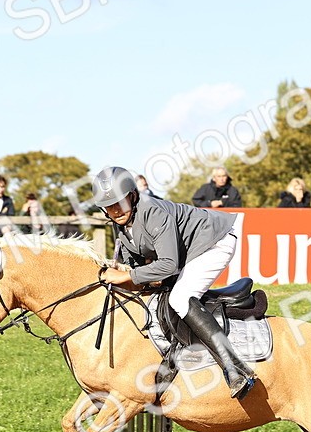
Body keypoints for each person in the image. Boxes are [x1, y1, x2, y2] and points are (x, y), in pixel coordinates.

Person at [94, 166, 256, 399]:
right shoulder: (119, 222)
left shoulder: (152, 212)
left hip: (214, 241)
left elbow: (169, 265)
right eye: (108, 207)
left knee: (180, 298)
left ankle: (235, 369)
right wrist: (126, 270)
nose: (115, 210)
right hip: (187, 251)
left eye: (119, 202)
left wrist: (128, 276)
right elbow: (137, 262)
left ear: (132, 195)